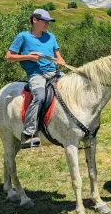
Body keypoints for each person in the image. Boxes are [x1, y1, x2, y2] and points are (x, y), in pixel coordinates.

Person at [6, 8, 66, 149]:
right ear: (34, 20)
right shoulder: (23, 37)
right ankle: (29, 134)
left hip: (54, 72)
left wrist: (60, 60)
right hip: (36, 75)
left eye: (48, 21)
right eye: (44, 21)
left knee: (73, 86)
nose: (47, 24)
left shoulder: (51, 37)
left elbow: (58, 55)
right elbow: (8, 56)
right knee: (39, 97)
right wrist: (29, 57)